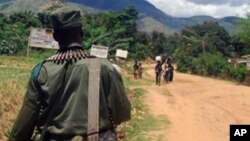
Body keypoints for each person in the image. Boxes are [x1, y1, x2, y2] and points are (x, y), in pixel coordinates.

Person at [9, 10, 131, 141]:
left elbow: (25, 122)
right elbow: (123, 114)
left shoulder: (41, 71)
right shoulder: (105, 68)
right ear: (82, 34)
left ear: (55, 37)